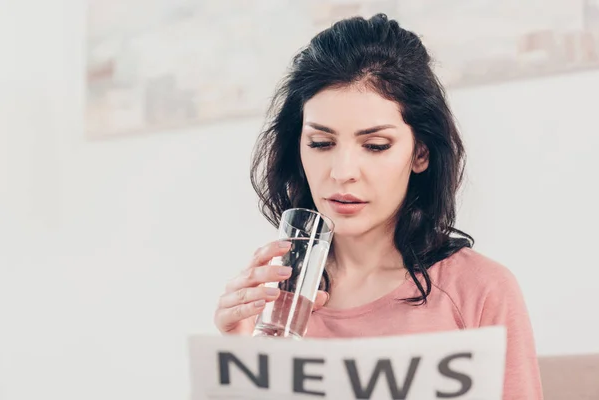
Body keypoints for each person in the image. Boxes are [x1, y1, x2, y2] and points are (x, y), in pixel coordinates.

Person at [213, 13, 543, 399]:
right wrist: (238, 358)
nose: (342, 172)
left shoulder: (478, 290)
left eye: (375, 146)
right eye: (321, 143)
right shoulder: (275, 302)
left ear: (421, 152)